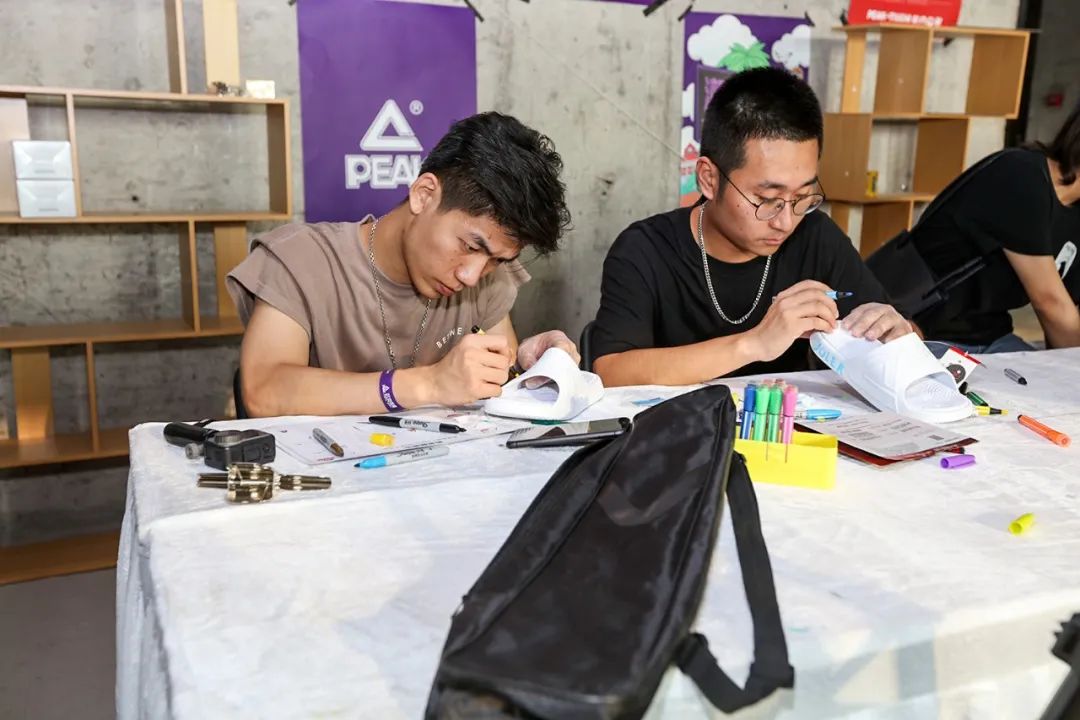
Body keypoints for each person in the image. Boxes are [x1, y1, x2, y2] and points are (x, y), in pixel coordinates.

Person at [227, 112, 578, 417]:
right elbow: (263, 392)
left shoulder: (490, 277)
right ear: (424, 195)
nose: (471, 276)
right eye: (470, 246)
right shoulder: (302, 259)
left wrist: (528, 368)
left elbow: (497, 386)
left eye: (497, 260)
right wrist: (427, 385)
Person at [591, 67, 910, 387]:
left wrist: (898, 336)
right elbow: (612, 372)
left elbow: (906, 335)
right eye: (767, 199)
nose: (785, 222)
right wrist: (755, 343)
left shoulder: (815, 236)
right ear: (709, 179)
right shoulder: (645, 250)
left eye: (802, 197)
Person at [897, 105, 1080, 353]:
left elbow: (1068, 315)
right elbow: (1051, 303)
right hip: (919, 332)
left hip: (990, 339)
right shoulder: (1022, 176)